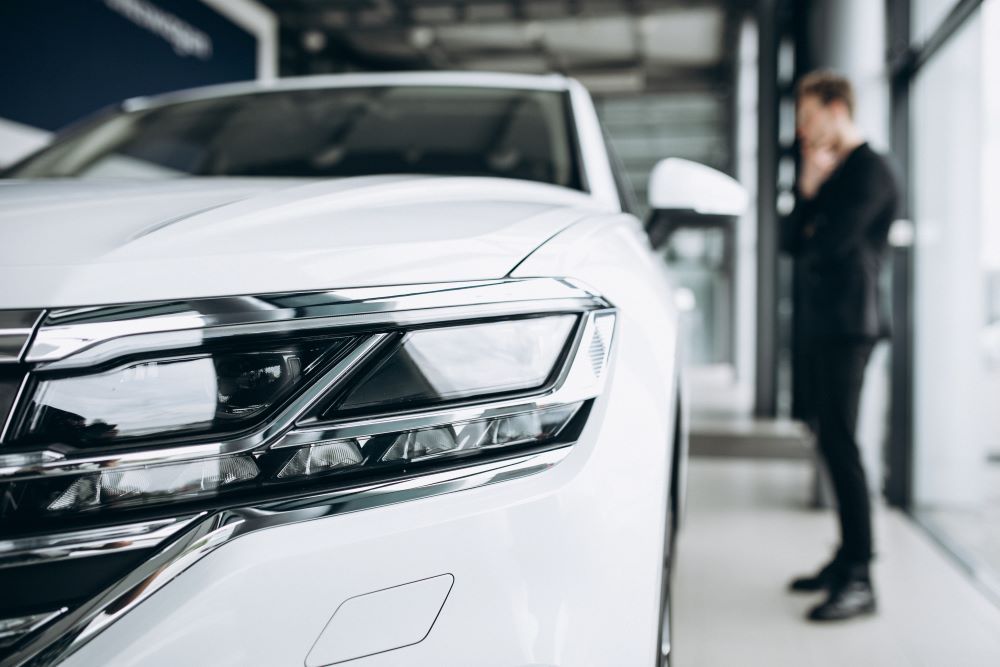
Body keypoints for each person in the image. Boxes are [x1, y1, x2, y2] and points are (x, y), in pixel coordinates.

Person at [780, 70, 898, 622]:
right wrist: (808, 191)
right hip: (826, 323)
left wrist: (815, 210)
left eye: (807, 118)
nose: (802, 131)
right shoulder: (827, 173)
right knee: (830, 441)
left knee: (843, 445)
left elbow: (827, 246)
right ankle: (847, 557)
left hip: (851, 325)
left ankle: (861, 576)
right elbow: (791, 242)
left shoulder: (869, 169)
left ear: (835, 109)